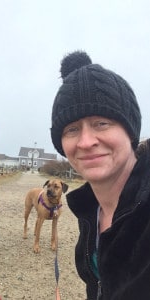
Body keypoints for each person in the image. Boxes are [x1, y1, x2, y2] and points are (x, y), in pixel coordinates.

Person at [50, 50, 150, 300]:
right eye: (72, 129)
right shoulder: (91, 208)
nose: (85, 141)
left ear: (130, 131)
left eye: (101, 124)